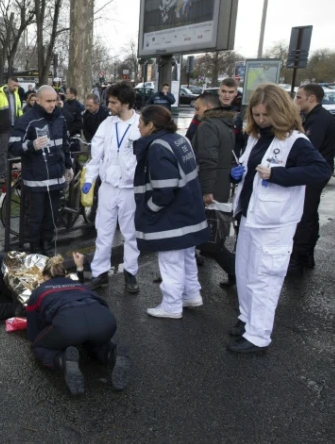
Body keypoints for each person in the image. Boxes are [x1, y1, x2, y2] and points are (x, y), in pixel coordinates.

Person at [228, 84, 331, 353]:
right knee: (245, 273)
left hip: (275, 224)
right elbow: (248, 168)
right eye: (257, 115)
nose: (261, 120)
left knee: (264, 278)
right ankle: (247, 319)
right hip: (251, 216)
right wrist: (235, 173)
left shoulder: (296, 141)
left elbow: (321, 171)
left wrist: (279, 175)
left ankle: (258, 336)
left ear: (279, 111)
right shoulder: (255, 136)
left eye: (266, 115)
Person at [134, 105, 209, 319]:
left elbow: (164, 189)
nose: (138, 126)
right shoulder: (179, 140)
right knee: (186, 256)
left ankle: (172, 305)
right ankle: (191, 295)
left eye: (141, 122)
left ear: (151, 125)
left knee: (171, 261)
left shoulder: (157, 147)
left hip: (172, 217)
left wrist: (150, 209)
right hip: (189, 211)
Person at [26, 255, 129, 395]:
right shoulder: (79, 285)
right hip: (105, 320)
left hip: (68, 325)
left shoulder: (39, 290)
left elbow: (33, 331)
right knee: (91, 341)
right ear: (64, 273)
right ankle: (113, 354)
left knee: (38, 345)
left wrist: (47, 338)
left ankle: (63, 361)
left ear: (45, 276)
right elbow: (102, 303)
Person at [81, 82, 141, 292]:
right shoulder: (107, 124)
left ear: (125, 103)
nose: (109, 105)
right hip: (107, 187)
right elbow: (95, 156)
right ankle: (100, 273)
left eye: (113, 102)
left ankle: (131, 273)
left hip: (129, 189)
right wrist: (89, 179)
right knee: (103, 231)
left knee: (131, 233)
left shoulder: (140, 124)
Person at [9, 85, 72, 255]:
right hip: (36, 180)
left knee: (52, 217)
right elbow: (13, 146)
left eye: (55, 101)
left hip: (56, 178)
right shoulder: (27, 120)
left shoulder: (60, 119)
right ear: (37, 100)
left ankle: (48, 247)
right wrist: (31, 145)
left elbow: (65, 145)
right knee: (35, 218)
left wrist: (69, 165)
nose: (53, 105)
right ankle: (35, 249)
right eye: (49, 101)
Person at [289, 84, 335, 274]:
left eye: (299, 97)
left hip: (313, 174)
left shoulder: (318, 119)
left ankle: (298, 259)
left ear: (311, 98)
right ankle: (306, 256)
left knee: (305, 214)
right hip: (317, 172)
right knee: (310, 213)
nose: (296, 100)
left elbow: (309, 148)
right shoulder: (316, 116)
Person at [190, 92, 237, 287]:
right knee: (210, 234)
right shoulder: (225, 125)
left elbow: (208, 160)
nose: (196, 112)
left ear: (207, 108)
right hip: (221, 183)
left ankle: (235, 271)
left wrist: (206, 190)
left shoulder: (208, 126)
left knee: (209, 237)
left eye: (198, 108)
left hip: (211, 185)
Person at [0, 77, 23, 184]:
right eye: (14, 85)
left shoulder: (16, 95)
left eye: (16, 85)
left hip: (14, 128)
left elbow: (19, 111)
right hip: (4, 128)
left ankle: (9, 173)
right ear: (8, 84)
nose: (16, 87)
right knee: (3, 152)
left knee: (12, 152)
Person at [217, 78, 245, 157]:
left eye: (230, 92)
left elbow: (239, 141)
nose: (227, 95)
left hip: (230, 160)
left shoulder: (238, 113)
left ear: (235, 93)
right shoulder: (209, 107)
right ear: (219, 91)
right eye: (224, 91)